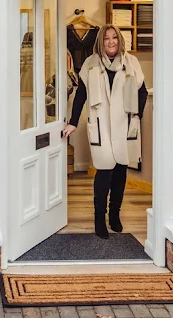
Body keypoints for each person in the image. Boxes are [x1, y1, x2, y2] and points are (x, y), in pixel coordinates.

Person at [62, 24, 147, 239]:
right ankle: (99, 218)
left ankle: (115, 215)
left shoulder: (131, 62)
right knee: (104, 171)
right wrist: (73, 122)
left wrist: (137, 116)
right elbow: (81, 94)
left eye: (114, 38)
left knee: (120, 171)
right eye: (107, 38)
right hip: (101, 124)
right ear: (101, 41)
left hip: (124, 123)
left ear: (120, 40)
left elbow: (142, 92)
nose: (111, 42)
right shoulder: (90, 64)